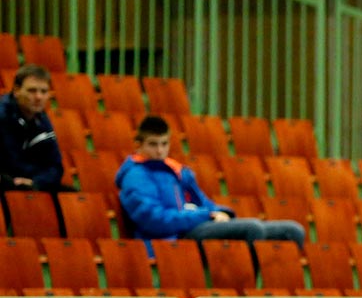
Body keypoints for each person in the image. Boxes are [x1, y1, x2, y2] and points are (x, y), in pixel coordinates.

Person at [115, 115, 305, 253]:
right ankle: (249, 292)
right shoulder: (136, 176)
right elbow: (155, 221)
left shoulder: (177, 171)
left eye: (164, 144)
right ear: (138, 144)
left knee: (292, 230)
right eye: (153, 144)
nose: (160, 151)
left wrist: (221, 213)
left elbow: (204, 203)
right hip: (172, 238)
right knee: (252, 229)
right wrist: (204, 215)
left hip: (196, 225)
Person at [0, 64, 71, 193]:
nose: (39, 97)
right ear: (16, 91)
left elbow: (56, 167)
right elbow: (12, 161)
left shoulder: (42, 119)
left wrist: (36, 181)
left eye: (44, 91)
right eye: (32, 91)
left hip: (29, 180)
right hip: (7, 181)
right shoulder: (2, 116)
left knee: (71, 194)